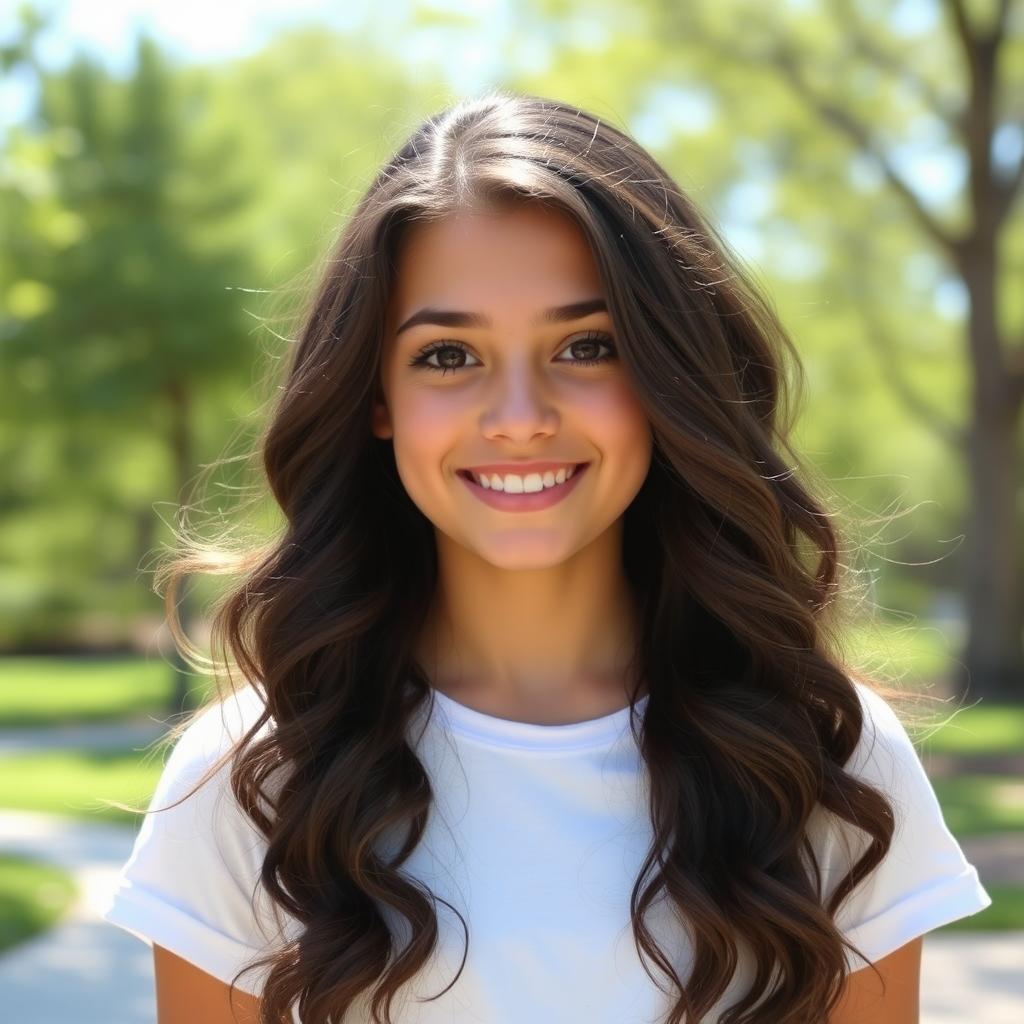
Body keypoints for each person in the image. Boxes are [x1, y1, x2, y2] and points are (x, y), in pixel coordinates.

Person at [101, 90, 991, 1024]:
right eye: (448, 356)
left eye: (586, 346)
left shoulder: (823, 759)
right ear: (377, 399)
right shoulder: (255, 776)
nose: (520, 417)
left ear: (666, 376)